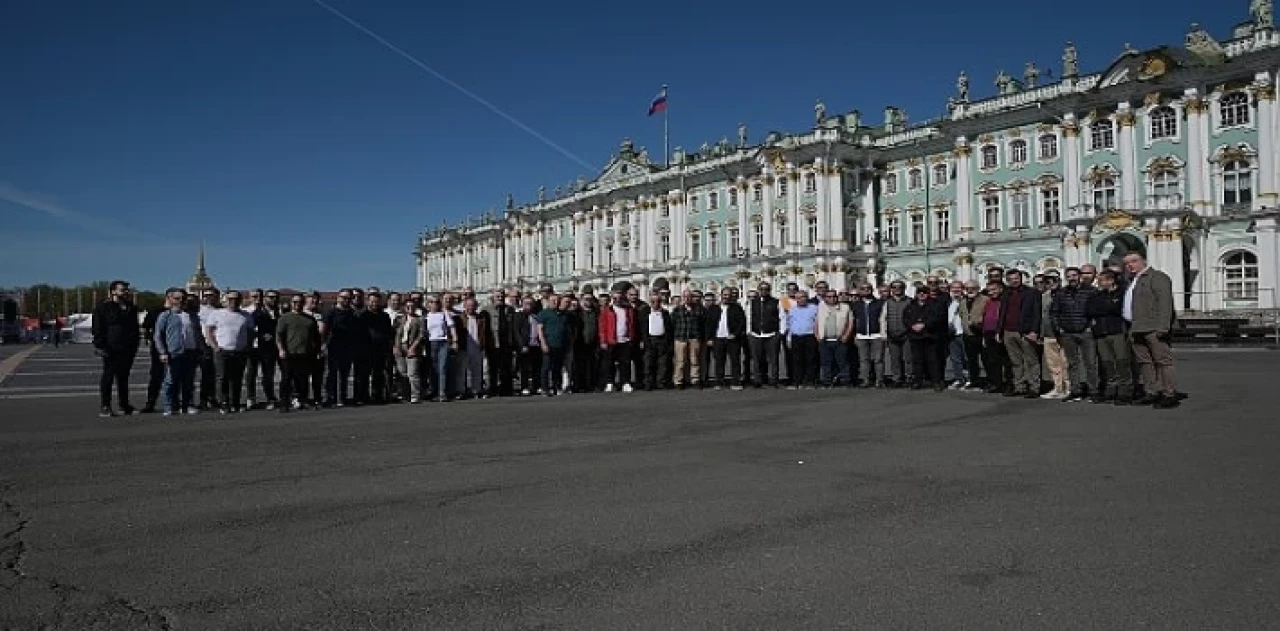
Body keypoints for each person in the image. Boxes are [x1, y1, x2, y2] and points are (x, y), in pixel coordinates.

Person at [1122, 251, 1180, 408]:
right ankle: (1151, 392)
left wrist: (1163, 327)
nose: (1130, 265)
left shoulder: (1157, 277)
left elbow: (1165, 303)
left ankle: (1169, 394)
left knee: (1163, 361)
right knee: (1145, 362)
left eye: (1134, 261)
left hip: (1153, 328)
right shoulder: (1132, 280)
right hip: (1136, 328)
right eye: (1127, 263)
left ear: (1144, 261)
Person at [92, 280, 141, 418]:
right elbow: (97, 328)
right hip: (110, 347)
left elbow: (135, 327)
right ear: (113, 291)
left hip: (128, 347)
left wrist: (135, 343)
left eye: (126, 289)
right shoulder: (103, 307)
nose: (125, 292)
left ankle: (124, 404)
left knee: (123, 377)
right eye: (122, 289)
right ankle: (105, 406)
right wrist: (100, 345)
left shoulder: (131, 307)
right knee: (108, 376)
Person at [152, 288, 204, 416]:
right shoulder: (166, 315)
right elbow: (158, 335)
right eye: (177, 298)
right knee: (170, 380)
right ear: (170, 299)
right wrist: (162, 352)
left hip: (191, 351)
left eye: (183, 298)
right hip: (174, 352)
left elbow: (198, 334)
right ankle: (169, 406)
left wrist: (201, 349)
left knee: (189, 381)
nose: (180, 301)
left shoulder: (193, 316)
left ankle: (186, 405)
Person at [203, 290, 254, 414]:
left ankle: (235, 402)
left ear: (240, 300)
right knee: (222, 377)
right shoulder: (217, 314)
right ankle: (224, 403)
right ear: (226, 300)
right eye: (230, 299)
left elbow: (251, 333)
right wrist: (214, 346)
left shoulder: (246, 315)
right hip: (222, 350)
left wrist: (247, 346)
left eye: (236, 299)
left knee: (237, 378)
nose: (233, 301)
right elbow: (209, 331)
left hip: (239, 351)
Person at [1086, 270, 1133, 405]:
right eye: (1099, 281)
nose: (1100, 283)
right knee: (1107, 363)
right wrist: (1108, 308)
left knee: (1122, 362)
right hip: (1101, 333)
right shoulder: (1096, 296)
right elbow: (1091, 310)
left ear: (1111, 281)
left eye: (1103, 280)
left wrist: (1107, 308)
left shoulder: (1121, 294)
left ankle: (1125, 392)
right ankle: (1110, 390)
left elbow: (1118, 309)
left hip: (1117, 331)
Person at [276, 294, 323, 411]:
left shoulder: (310, 319)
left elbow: (316, 338)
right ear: (291, 303)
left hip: (305, 354)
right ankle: (284, 402)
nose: (298, 304)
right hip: (289, 353)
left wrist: (317, 350)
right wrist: (281, 349)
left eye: (300, 302)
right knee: (286, 379)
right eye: (295, 302)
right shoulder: (284, 318)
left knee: (302, 379)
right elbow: (279, 336)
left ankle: (303, 400)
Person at [815, 289, 853, 387]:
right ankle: (827, 381)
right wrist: (817, 335)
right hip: (825, 340)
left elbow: (850, 323)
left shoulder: (845, 307)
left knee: (842, 362)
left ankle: (845, 381)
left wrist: (846, 336)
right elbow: (816, 322)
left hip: (840, 340)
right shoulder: (821, 307)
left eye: (834, 296)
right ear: (825, 298)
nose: (832, 298)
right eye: (829, 297)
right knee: (825, 362)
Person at [535, 295, 571, 396]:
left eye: (557, 300)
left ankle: (557, 387)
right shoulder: (544, 313)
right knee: (546, 367)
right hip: (548, 344)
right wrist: (543, 343)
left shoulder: (563, 314)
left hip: (560, 345)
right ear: (548, 301)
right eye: (553, 300)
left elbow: (566, 330)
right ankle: (545, 388)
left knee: (557, 367)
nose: (555, 302)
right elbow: (540, 329)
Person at [393, 297, 424, 403]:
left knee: (413, 373)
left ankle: (415, 395)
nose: (410, 308)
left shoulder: (419, 319)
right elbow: (395, 334)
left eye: (412, 306)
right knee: (402, 373)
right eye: (408, 306)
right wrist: (396, 347)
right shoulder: (399, 319)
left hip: (412, 347)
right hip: (400, 347)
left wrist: (413, 348)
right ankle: (405, 395)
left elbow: (421, 335)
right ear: (404, 308)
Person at [641, 293, 674, 390]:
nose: (656, 303)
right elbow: (642, 328)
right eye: (653, 301)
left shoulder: (665, 313)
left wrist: (669, 342)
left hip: (662, 340)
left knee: (662, 363)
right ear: (649, 302)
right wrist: (644, 340)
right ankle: (648, 383)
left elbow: (669, 328)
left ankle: (661, 382)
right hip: (650, 340)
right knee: (648, 363)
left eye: (658, 301)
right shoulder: (645, 312)